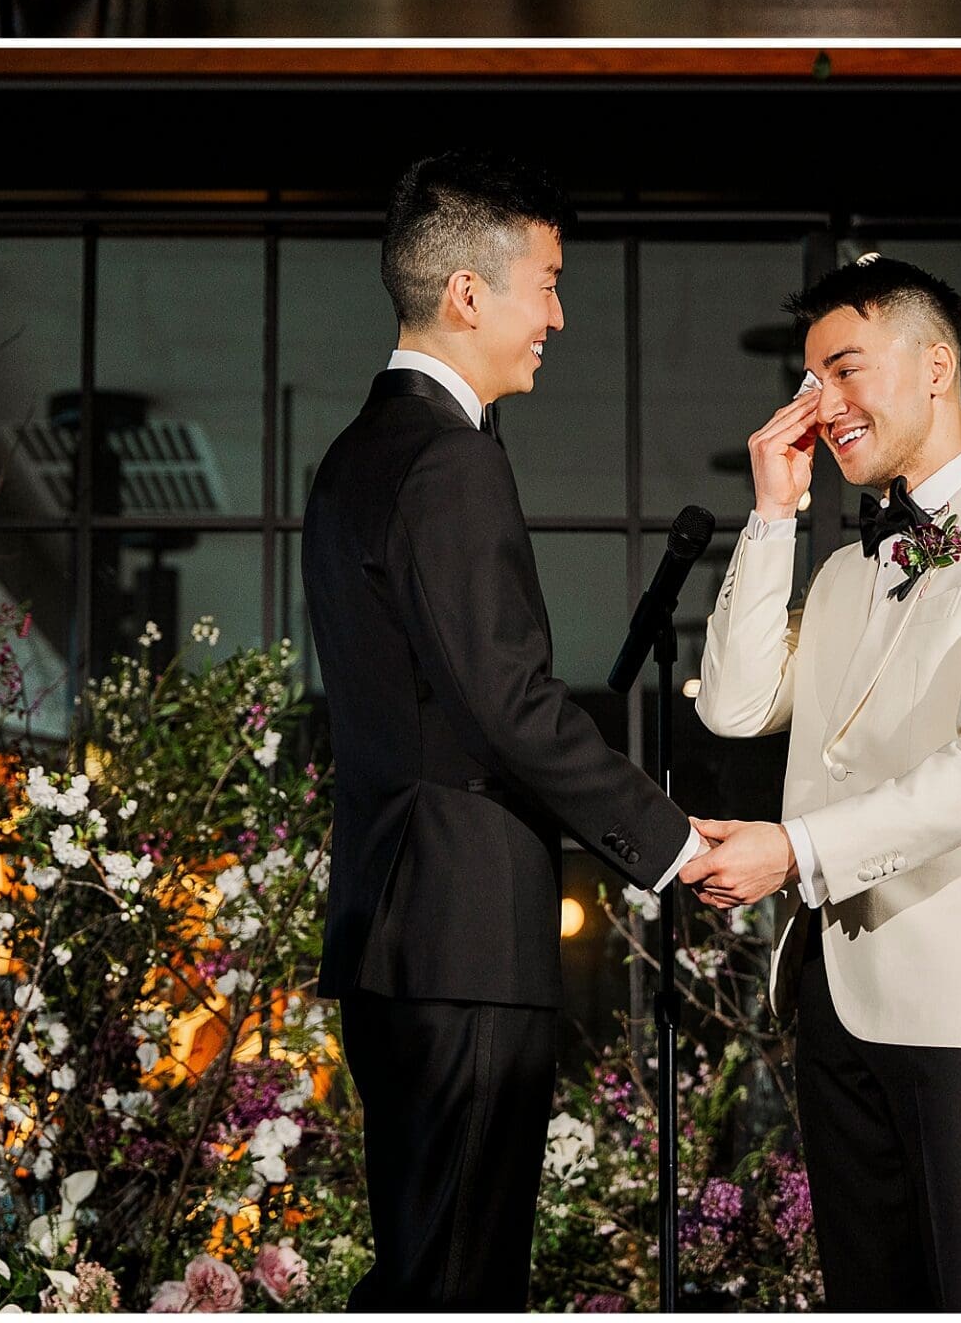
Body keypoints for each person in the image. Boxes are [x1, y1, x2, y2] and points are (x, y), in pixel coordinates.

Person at [302, 153, 711, 1311]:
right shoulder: (451, 458)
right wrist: (672, 843)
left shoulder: (351, 460)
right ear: (467, 294)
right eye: (547, 284)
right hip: (465, 934)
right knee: (462, 1283)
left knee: (422, 1271)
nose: (557, 316)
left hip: (393, 934)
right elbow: (510, 704)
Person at [686, 254, 961, 1311]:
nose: (821, 403)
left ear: (936, 366)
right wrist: (773, 514)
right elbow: (731, 705)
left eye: (846, 369)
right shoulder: (840, 572)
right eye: (810, 378)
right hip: (833, 996)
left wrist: (795, 850)